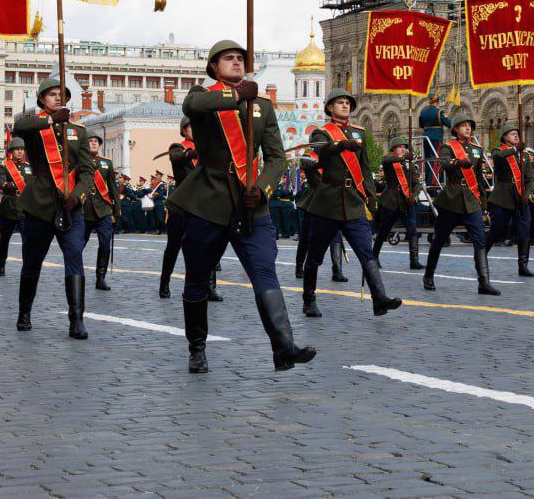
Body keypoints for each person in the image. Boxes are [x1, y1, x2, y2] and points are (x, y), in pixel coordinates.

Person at [172, 40, 313, 373]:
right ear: (213, 67)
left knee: (265, 270)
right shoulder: (204, 97)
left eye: (240, 58)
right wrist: (237, 96)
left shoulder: (262, 106)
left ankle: (284, 348)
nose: (236, 62)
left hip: (252, 204)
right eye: (228, 58)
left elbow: (276, 157)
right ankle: (197, 348)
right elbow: (193, 105)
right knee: (197, 279)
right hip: (209, 201)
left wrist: (263, 189)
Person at [300, 88, 401, 319]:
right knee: (315, 255)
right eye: (339, 102)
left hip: (353, 202)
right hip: (328, 202)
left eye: (347, 102)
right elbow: (315, 158)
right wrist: (338, 146)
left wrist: (371, 197)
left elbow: (364, 167)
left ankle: (380, 299)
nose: (345, 106)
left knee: (367, 253)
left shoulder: (359, 133)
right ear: (329, 108)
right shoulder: (322, 133)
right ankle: (309, 300)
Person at [11, 78, 95, 338]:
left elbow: (87, 171)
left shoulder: (78, 131)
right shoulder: (35, 126)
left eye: (62, 95)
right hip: (40, 204)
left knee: (75, 259)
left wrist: (78, 196)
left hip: (70, 205)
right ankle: (24, 311)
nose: (58, 98)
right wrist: (50, 120)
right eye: (51, 95)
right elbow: (18, 126)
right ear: (41, 101)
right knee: (32, 262)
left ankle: (77, 319)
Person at [423, 114, 497, 295]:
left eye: (469, 126)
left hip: (471, 200)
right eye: (463, 126)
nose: (467, 128)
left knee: (480, 240)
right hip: (452, 199)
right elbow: (443, 163)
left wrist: (484, 200)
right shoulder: (449, 147)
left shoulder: (477, 149)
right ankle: (428, 275)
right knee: (439, 239)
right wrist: (457, 162)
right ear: (455, 129)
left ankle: (484, 282)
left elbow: (479, 177)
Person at [162, 118, 222, 301]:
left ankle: (210, 287)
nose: (195, 129)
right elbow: (176, 157)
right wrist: (192, 153)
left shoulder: (207, 148)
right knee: (173, 247)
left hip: (204, 205)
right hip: (182, 206)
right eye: (191, 126)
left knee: (208, 248)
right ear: (184, 130)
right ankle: (164, 282)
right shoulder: (178, 146)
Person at [485, 124, 534, 277]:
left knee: (524, 232)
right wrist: (515, 149)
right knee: (496, 231)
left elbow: (530, 178)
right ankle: (481, 255)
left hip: (520, 199)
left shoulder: (525, 156)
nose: (515, 136)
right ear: (504, 137)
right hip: (503, 197)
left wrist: (526, 194)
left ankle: (523, 265)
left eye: (517, 133)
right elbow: (498, 158)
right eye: (512, 134)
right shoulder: (499, 151)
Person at [373, 137, 422, 269]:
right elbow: (385, 160)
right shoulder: (390, 161)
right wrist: (403, 158)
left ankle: (414, 260)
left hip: (407, 201)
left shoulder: (409, 164)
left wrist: (414, 195)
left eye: (404, 147)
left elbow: (416, 183)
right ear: (394, 149)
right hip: (392, 201)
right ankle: (374, 257)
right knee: (383, 231)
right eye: (400, 147)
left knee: (412, 231)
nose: (403, 149)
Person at [82, 134, 119, 291]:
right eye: (90, 141)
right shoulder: (80, 161)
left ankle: (101, 278)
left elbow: (112, 187)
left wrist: (117, 209)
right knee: (78, 245)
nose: (93, 143)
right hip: (84, 209)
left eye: (96, 141)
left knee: (105, 243)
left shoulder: (106, 163)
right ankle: (76, 275)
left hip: (103, 209)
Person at [0, 138, 31, 276]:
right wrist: (7, 185)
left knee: (27, 240)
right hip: (9, 207)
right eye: (17, 149)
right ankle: (1, 265)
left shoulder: (30, 167)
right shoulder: (5, 167)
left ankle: (27, 266)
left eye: (22, 149)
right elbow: (1, 182)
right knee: (4, 239)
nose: (20, 152)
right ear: (12, 151)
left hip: (25, 207)